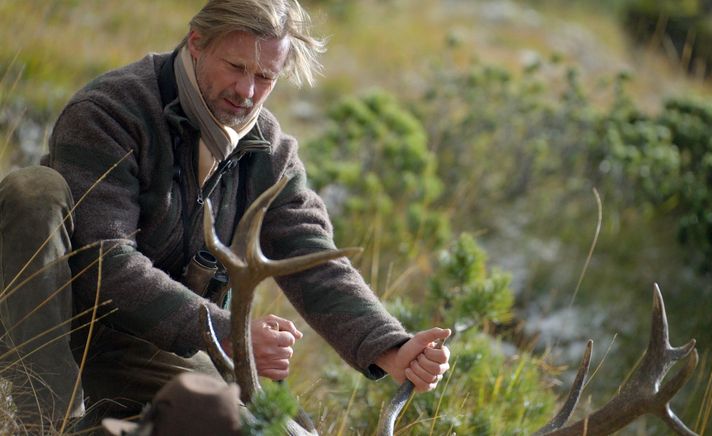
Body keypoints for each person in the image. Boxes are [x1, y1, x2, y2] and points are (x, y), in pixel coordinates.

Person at [0, 0, 451, 432]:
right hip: (61, 326)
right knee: (33, 192)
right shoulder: (109, 112)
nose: (247, 91)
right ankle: (42, 423)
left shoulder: (268, 151)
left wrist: (388, 346)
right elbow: (105, 260)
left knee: (274, 430)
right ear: (197, 42)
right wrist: (228, 332)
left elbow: (313, 257)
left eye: (265, 77)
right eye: (236, 67)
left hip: (162, 346)